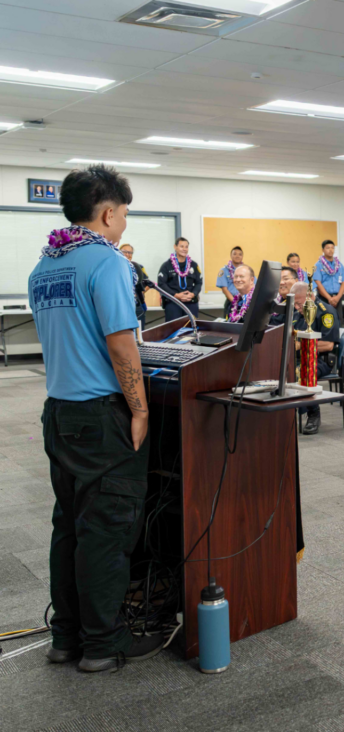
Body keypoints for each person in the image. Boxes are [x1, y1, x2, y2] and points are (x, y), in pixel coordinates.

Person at [30, 165, 162, 671]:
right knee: (106, 530)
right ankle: (104, 645)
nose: (124, 224)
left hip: (59, 413)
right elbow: (120, 343)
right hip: (101, 417)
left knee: (69, 526)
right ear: (107, 212)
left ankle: (66, 638)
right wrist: (140, 407)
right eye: (124, 214)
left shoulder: (45, 265)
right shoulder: (107, 263)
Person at [289, 282, 338, 435]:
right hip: (298, 357)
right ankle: (286, 413)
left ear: (309, 296)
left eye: (298, 303)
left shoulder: (325, 312)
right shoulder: (298, 313)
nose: (296, 307)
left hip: (321, 360)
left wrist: (300, 345)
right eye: (294, 304)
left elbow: (329, 345)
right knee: (279, 369)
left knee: (301, 372)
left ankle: (313, 414)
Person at [157, 236, 202, 318]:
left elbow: (199, 283)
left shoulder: (194, 265)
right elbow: (161, 284)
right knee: (174, 329)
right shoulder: (166, 266)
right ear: (175, 247)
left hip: (190, 302)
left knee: (191, 328)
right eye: (181, 246)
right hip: (173, 302)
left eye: (186, 247)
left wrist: (193, 294)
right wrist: (175, 295)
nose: (184, 249)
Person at [313, 239, 344, 327]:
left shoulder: (339, 264)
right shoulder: (318, 265)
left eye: (332, 247)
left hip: (337, 297)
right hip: (324, 298)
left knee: (339, 321)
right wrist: (329, 298)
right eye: (328, 248)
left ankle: (339, 340)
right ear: (323, 250)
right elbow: (318, 283)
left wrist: (338, 297)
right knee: (326, 322)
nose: (330, 250)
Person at [119, 243, 150, 330]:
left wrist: (138, 292)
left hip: (137, 304)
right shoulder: (115, 267)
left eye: (130, 252)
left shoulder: (138, 267)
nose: (128, 254)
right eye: (125, 252)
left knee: (140, 332)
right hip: (122, 305)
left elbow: (148, 283)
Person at [216, 246, 244, 317]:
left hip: (244, 302)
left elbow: (253, 286)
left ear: (242, 256)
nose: (237, 256)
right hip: (231, 301)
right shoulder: (224, 270)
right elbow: (224, 289)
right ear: (231, 256)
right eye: (235, 254)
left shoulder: (246, 271)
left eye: (240, 254)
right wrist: (235, 303)